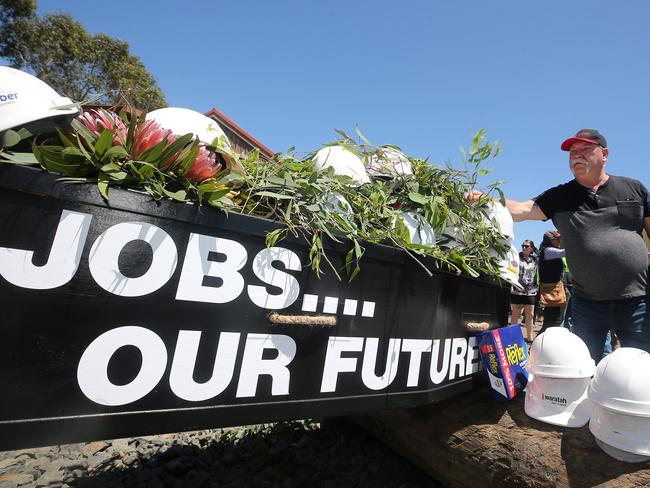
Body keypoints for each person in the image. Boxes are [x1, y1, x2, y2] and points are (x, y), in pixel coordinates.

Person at [467, 128, 650, 361]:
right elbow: (522, 209)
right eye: (572, 152)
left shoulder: (634, 189)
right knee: (585, 367)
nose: (577, 155)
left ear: (604, 154)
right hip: (588, 303)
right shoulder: (560, 196)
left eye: (585, 149)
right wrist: (486, 200)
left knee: (643, 367)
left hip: (638, 301)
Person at [537, 230, 566, 334]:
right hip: (552, 290)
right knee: (552, 321)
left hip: (552, 289)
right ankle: (539, 344)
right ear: (551, 240)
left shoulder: (547, 250)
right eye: (558, 239)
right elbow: (565, 252)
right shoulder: (548, 251)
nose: (559, 241)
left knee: (552, 320)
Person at [510, 239, 538, 342]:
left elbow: (540, 254)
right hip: (518, 288)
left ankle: (530, 337)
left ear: (531, 248)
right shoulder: (517, 257)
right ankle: (512, 336)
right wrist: (511, 285)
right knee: (516, 312)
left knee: (530, 314)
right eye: (523, 246)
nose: (524, 248)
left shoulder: (535, 259)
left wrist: (534, 251)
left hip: (531, 290)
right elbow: (511, 271)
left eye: (526, 246)